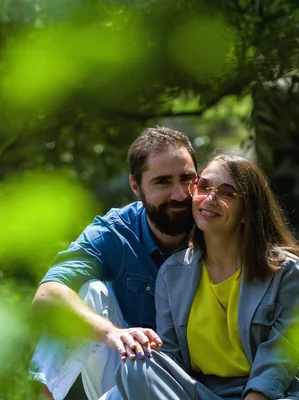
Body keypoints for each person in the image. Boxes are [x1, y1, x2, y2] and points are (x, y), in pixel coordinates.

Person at [115, 154, 299, 400]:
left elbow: (283, 351)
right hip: (199, 393)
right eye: (203, 186)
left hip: (270, 393)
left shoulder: (286, 271)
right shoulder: (171, 273)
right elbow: (171, 357)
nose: (210, 198)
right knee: (137, 365)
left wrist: (256, 396)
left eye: (227, 193)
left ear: (247, 212)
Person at [30, 126, 198, 400]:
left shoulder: (216, 227)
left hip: (196, 381)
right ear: (135, 186)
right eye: (163, 182)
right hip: (128, 371)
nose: (180, 194)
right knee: (92, 292)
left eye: (187, 179)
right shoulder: (115, 232)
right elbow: (47, 296)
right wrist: (112, 334)